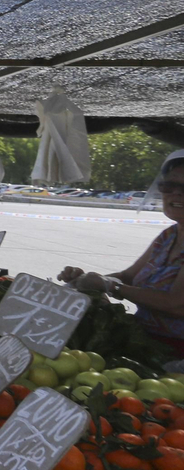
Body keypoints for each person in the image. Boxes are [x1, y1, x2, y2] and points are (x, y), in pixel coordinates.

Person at [59, 150, 184, 359]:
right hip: (147, 344)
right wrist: (88, 280)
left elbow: (177, 304)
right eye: (169, 186)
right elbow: (129, 276)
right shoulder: (169, 236)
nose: (177, 194)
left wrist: (111, 286)